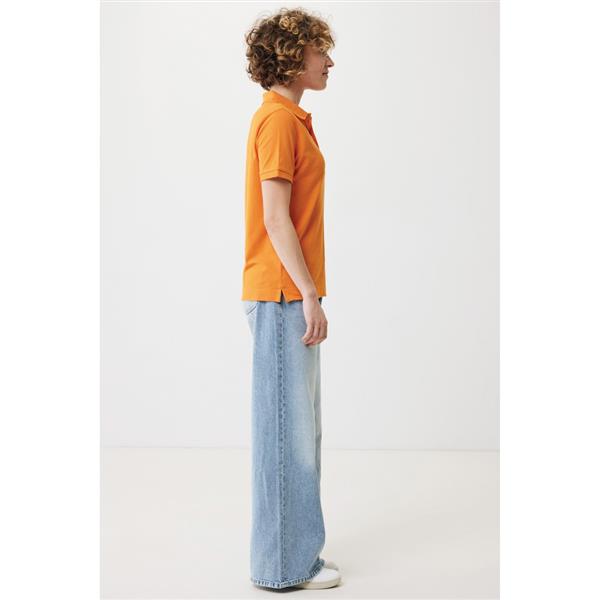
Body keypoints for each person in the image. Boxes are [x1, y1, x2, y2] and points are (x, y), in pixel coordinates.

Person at [240, 8, 340, 591]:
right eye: (320, 51)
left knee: (300, 434)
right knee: (287, 437)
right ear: (292, 57)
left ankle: (296, 552)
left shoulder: (291, 119)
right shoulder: (277, 120)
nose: (329, 62)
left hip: (288, 294)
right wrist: (308, 294)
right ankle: (282, 566)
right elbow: (276, 219)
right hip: (282, 295)